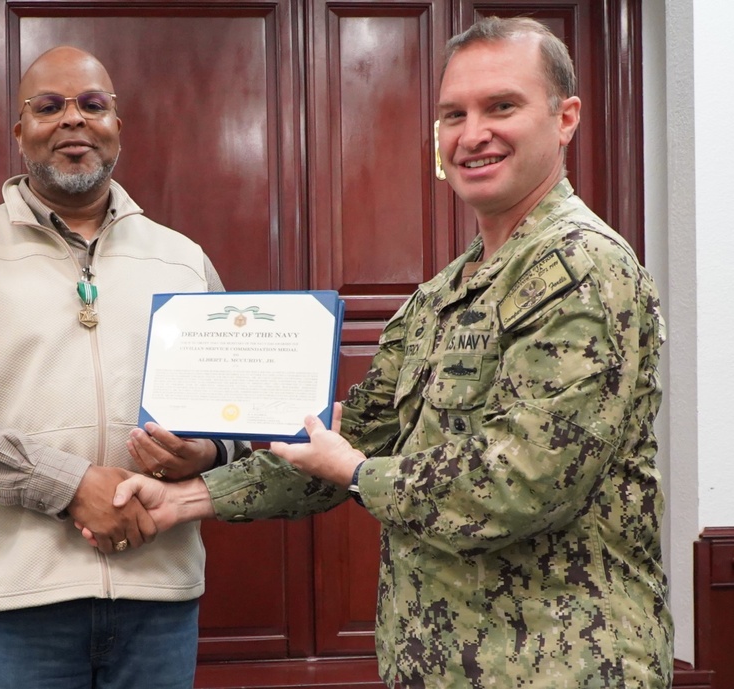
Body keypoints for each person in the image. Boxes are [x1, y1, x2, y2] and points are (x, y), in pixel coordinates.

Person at [104, 16, 674, 688]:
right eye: (451, 114)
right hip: (437, 662)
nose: (472, 133)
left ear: (564, 118)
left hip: (560, 665)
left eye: (501, 106)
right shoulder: (438, 297)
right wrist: (188, 498)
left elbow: (516, 485)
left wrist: (355, 470)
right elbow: (340, 437)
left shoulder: (580, 269)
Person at [0, 45, 240, 689]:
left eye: (92, 105)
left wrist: (208, 450)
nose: (73, 119)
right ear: (20, 133)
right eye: (48, 106)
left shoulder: (183, 260)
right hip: (15, 603)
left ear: (117, 128)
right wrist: (69, 484)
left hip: (159, 595)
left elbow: (237, 409)